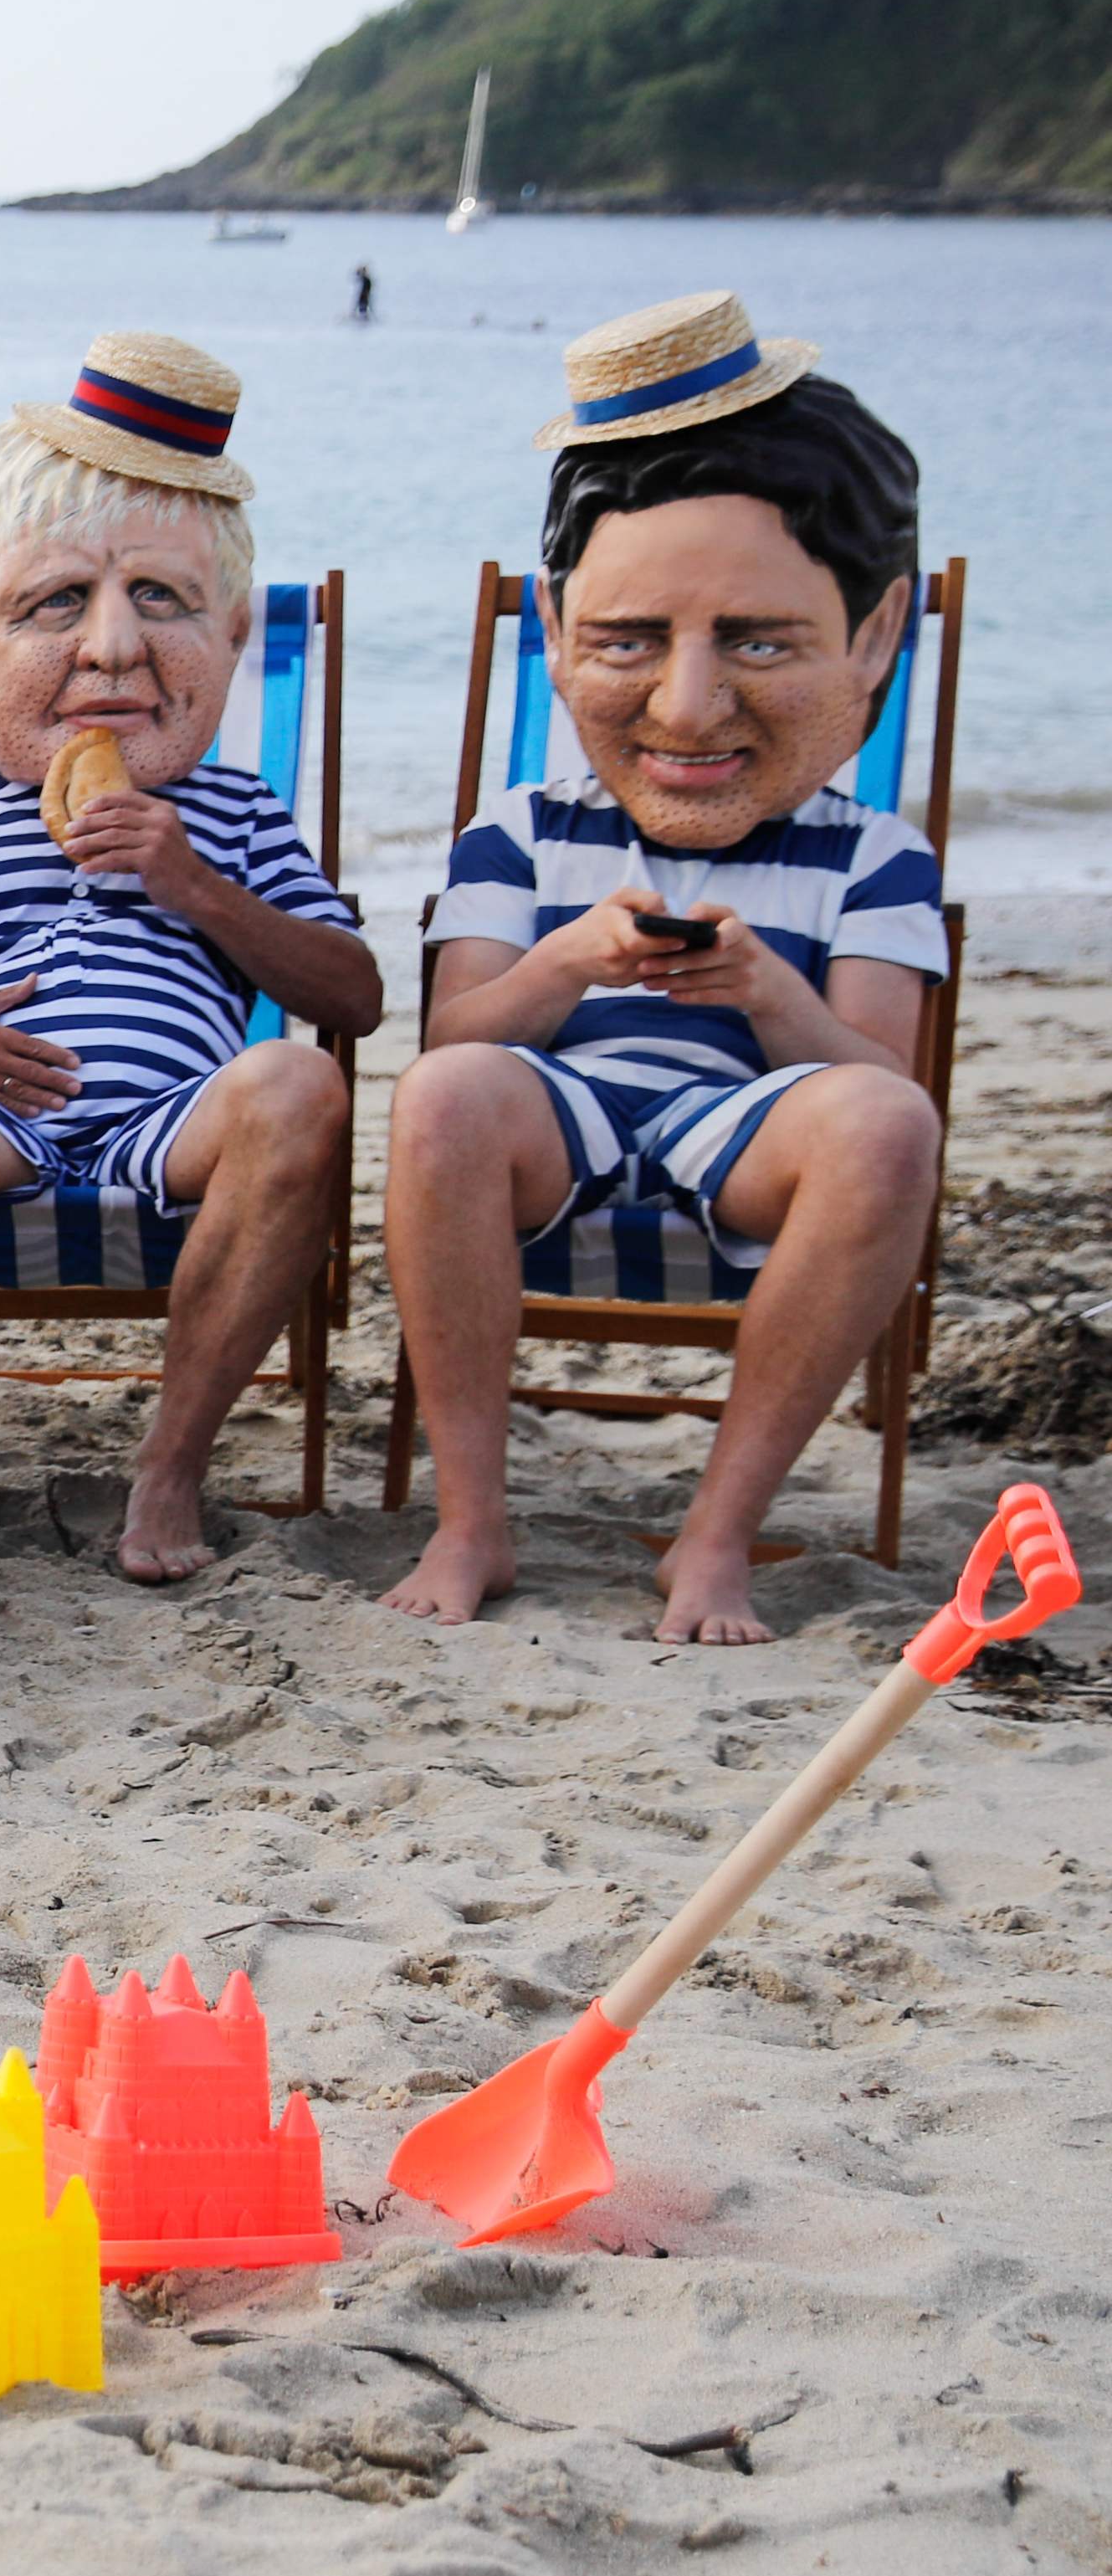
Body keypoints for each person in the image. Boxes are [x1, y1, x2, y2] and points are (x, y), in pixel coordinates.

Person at [0, 331, 376, 1580]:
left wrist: (193, 882)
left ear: (233, 636)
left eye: (162, 600)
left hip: (177, 1125)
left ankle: (168, 1474)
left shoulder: (234, 812)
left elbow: (351, 995)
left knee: (301, 1083)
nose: (110, 649)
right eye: (54, 605)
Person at [379, 293, 940, 1645]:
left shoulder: (870, 854)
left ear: (874, 636)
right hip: (553, 1114)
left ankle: (714, 1537)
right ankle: (472, 1519)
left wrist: (771, 995)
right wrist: (572, 954)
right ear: (558, 628)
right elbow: (460, 1031)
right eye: (629, 642)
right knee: (446, 1096)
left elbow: (881, 1079)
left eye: (758, 640)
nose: (687, 707)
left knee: (885, 1122)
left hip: (750, 1122)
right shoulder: (521, 830)